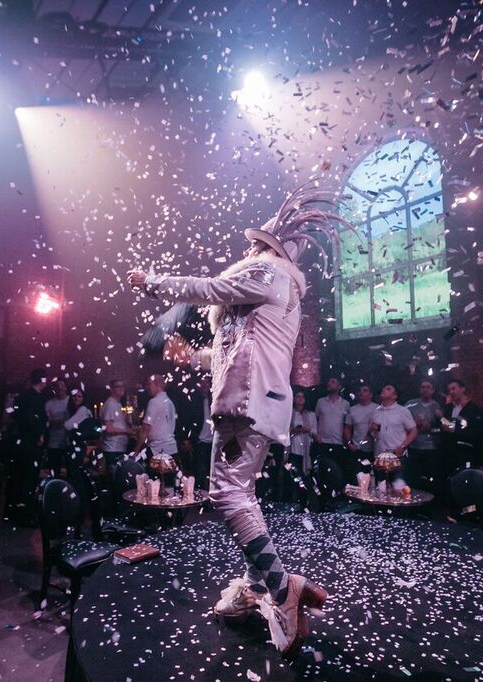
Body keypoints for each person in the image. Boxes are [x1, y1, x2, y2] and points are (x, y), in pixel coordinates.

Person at [127, 182, 342, 658]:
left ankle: (282, 585)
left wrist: (155, 282)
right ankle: (253, 583)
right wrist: (194, 358)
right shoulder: (265, 292)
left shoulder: (267, 271)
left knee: (226, 494)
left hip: (247, 406)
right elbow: (237, 352)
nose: (246, 249)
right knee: (240, 494)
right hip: (254, 401)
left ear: (268, 249)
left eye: (254, 243)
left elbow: (212, 287)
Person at [9, 369, 48, 514]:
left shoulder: (22, 396)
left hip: (21, 440)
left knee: (20, 475)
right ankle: (25, 512)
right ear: (43, 381)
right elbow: (32, 418)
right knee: (29, 476)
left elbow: (16, 415)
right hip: (30, 442)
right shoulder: (35, 397)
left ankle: (16, 508)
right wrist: (39, 434)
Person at [134, 375, 179, 489]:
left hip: (157, 452)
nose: (147, 387)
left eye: (149, 384)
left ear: (158, 384)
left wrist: (136, 450)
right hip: (172, 450)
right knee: (170, 487)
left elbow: (145, 429)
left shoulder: (154, 402)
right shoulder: (169, 402)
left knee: (155, 488)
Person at [405, 380, 443, 492]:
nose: (425, 389)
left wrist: (431, 427)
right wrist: (413, 422)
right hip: (414, 447)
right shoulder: (410, 404)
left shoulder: (437, 406)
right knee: (413, 478)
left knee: (430, 479)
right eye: (422, 387)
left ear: (432, 390)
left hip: (431, 448)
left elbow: (443, 428)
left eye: (428, 387)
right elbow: (400, 423)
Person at [441, 379, 483, 472]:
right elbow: (447, 423)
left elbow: (478, 434)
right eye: (449, 390)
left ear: (463, 389)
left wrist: (455, 430)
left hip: (468, 454)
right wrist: (440, 418)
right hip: (450, 453)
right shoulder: (449, 408)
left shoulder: (474, 409)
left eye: (454, 388)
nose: (451, 392)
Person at [288, 391, 318, 509]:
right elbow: (284, 429)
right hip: (292, 450)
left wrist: (307, 430)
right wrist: (295, 430)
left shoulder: (310, 415)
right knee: (292, 478)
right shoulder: (289, 413)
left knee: (305, 478)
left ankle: (304, 504)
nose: (300, 399)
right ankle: (292, 503)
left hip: (305, 452)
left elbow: (315, 433)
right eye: (298, 396)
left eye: (302, 396)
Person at [315, 377, 349, 476]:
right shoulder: (320, 402)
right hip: (323, 443)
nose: (329, 383)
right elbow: (315, 420)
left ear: (339, 386)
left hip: (338, 443)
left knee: (337, 472)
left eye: (333, 382)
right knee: (322, 472)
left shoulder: (346, 404)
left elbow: (347, 424)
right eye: (329, 381)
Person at [343, 383, 377, 484]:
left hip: (374, 449)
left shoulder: (378, 409)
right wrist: (349, 443)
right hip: (357, 449)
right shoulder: (352, 410)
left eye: (365, 390)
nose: (361, 392)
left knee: (373, 478)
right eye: (360, 390)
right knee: (357, 477)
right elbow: (347, 428)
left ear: (370, 394)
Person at [100, 379, 133, 473]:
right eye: (118, 386)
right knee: (115, 477)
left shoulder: (117, 404)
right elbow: (109, 429)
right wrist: (127, 431)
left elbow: (116, 422)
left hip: (118, 447)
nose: (122, 388)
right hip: (113, 449)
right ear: (112, 389)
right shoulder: (110, 404)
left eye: (123, 386)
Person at [43, 380, 69, 477]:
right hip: (54, 442)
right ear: (54, 389)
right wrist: (57, 421)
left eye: (62, 385)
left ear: (66, 387)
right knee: (55, 470)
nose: (60, 388)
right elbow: (46, 423)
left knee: (71, 470)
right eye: (57, 386)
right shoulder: (49, 404)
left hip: (69, 442)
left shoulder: (71, 401)